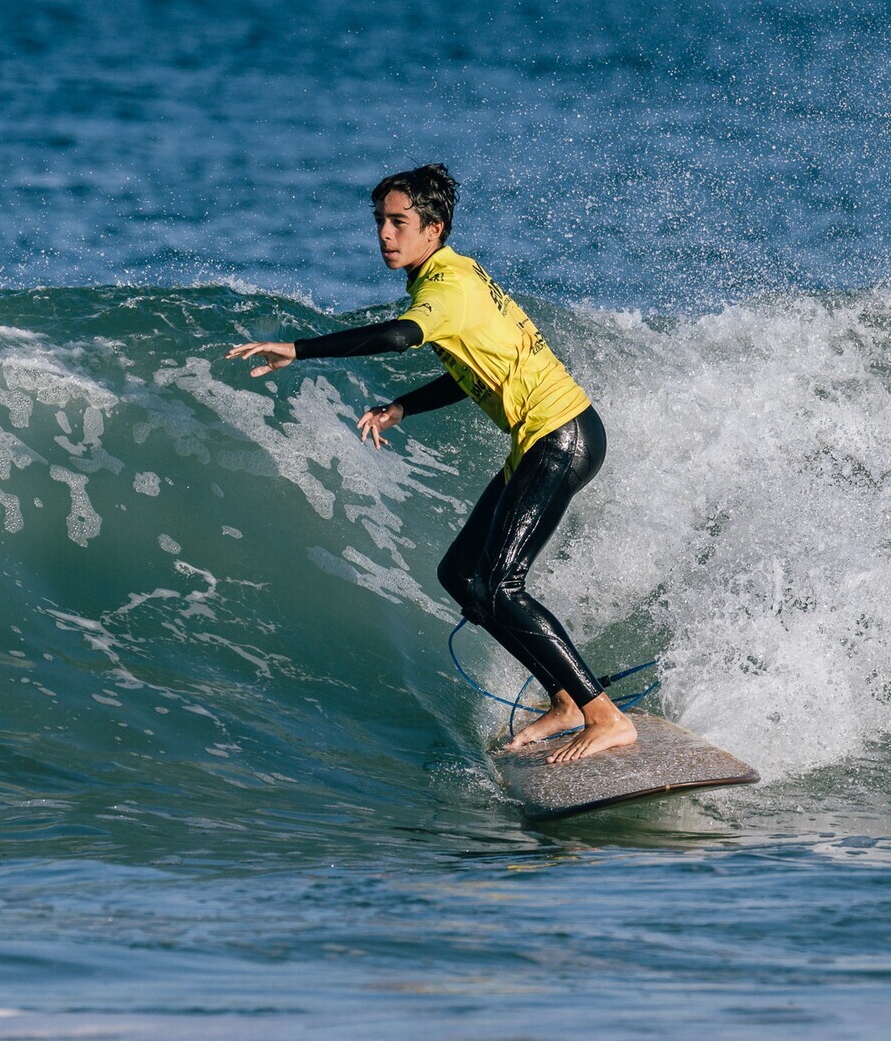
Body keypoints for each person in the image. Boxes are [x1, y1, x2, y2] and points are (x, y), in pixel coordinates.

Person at [227, 163, 636, 767]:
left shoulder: (445, 288)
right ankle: (566, 702)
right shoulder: (453, 276)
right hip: (542, 438)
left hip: (560, 435)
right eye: (379, 221)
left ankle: (604, 715)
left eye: (398, 222)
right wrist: (402, 407)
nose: (384, 234)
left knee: (501, 585)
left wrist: (299, 348)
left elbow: (398, 338)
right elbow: (472, 367)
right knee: (463, 576)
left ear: (433, 228)